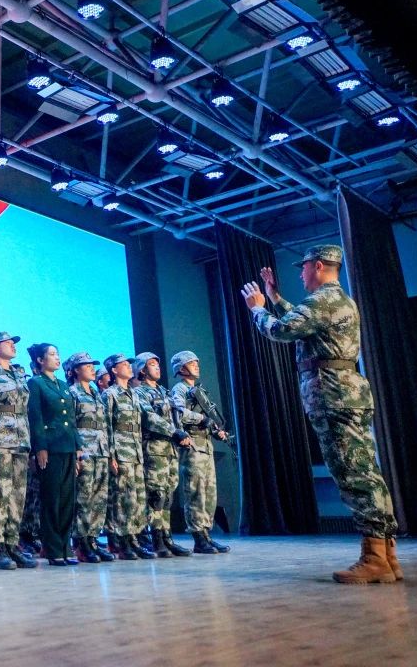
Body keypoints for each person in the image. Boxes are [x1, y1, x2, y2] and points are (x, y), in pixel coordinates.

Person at [241, 245, 401, 584]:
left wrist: (257, 309)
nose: (300, 274)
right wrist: (275, 298)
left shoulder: (321, 301)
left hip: (332, 395)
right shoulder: (336, 300)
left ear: (317, 266)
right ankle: (387, 555)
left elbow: (282, 330)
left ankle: (375, 557)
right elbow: (305, 323)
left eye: (303, 268)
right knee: (367, 472)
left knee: (352, 474)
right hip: (349, 394)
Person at [0, 332, 39, 569]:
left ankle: (13, 543)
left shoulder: (18, 373)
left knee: (18, 495)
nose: (12, 346)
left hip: (20, 440)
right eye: (7, 343)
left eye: (13, 343)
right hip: (0, 440)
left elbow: (24, 409)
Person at [170, 351, 232, 555]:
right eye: (191, 363)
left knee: (209, 493)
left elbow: (209, 416)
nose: (196, 365)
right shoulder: (179, 389)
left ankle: (206, 533)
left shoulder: (199, 390)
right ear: (181, 369)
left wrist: (216, 430)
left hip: (205, 445)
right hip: (192, 446)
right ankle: (198, 536)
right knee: (195, 492)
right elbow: (179, 413)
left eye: (196, 362)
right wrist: (202, 419)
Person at [133, 352, 194, 557]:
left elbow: (176, 417)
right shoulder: (139, 392)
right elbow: (150, 418)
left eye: (158, 364)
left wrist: (182, 434)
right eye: (152, 364)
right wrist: (174, 432)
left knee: (168, 496)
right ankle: (156, 539)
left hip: (170, 450)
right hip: (154, 450)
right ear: (142, 370)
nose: (157, 367)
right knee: (156, 495)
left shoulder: (164, 391)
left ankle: (168, 538)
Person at [26, 343, 80, 566]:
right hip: (50, 447)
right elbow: (36, 417)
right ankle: (53, 548)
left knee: (67, 499)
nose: (57, 358)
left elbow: (71, 419)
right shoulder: (36, 383)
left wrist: (78, 446)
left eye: (57, 354)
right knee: (52, 499)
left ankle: (66, 546)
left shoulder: (63, 385)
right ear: (40, 360)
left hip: (67, 446)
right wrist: (40, 447)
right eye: (52, 354)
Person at [102, 354, 155, 560]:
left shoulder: (134, 394)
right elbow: (106, 426)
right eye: (123, 364)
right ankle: (122, 541)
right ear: (114, 370)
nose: (128, 367)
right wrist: (111, 456)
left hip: (136, 452)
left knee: (138, 499)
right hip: (121, 452)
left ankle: (134, 539)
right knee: (123, 499)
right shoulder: (110, 394)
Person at [68, 352, 115, 563]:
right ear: (76, 370)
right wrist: (76, 450)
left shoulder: (96, 393)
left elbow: (105, 425)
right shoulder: (72, 393)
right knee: (84, 498)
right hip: (85, 450)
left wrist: (110, 453)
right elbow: (70, 424)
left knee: (99, 498)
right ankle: (81, 542)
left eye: (92, 365)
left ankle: (93, 539)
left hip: (101, 450)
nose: (91, 368)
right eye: (86, 366)